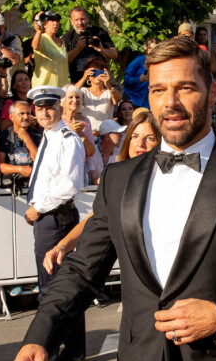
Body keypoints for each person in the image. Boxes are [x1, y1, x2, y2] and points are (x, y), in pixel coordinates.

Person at [11, 36, 216, 361]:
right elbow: (81, 270)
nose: (169, 103)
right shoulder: (118, 180)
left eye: (185, 87)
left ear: (213, 92)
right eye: (158, 90)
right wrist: (40, 336)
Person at [42, 111, 162, 279]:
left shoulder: (168, 179)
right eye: (135, 136)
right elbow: (95, 219)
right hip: (135, 277)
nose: (140, 143)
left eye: (149, 138)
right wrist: (61, 246)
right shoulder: (118, 179)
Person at [24, 85, 87, 361]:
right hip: (48, 218)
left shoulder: (66, 139)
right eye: (39, 108)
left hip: (56, 219)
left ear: (60, 108)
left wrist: (39, 206)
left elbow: (69, 185)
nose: (45, 112)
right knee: (61, 288)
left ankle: (47, 356)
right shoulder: (48, 138)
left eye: (50, 106)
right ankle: (72, 352)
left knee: (53, 291)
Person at [62, 5, 118, 84]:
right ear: (71, 21)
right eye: (76, 20)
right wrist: (77, 49)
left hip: (99, 81)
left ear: (87, 18)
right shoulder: (68, 37)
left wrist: (101, 49)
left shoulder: (99, 32)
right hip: (79, 82)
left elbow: (114, 55)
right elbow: (63, 61)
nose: (80, 23)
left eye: (82, 19)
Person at [0, 101, 42, 193]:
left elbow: (39, 161)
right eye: (21, 114)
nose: (26, 117)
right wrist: (20, 169)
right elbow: (0, 166)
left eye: (28, 113)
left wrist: (27, 138)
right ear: (11, 117)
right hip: (10, 189)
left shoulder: (38, 134)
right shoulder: (4, 135)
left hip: (36, 186)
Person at [76, 58, 121, 133]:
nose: (97, 75)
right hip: (88, 133)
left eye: (100, 72)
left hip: (106, 133)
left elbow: (117, 100)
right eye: (93, 72)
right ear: (88, 75)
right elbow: (72, 92)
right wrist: (84, 78)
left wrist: (108, 84)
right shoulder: (84, 91)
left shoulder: (109, 92)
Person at [31, 11, 68, 88]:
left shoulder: (61, 41)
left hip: (61, 89)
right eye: (52, 20)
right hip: (44, 87)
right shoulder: (42, 38)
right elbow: (35, 46)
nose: (55, 23)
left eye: (57, 20)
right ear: (45, 24)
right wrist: (39, 30)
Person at [122, 38, 158, 109]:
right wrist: (139, 79)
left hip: (147, 102)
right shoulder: (140, 60)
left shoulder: (158, 63)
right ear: (146, 49)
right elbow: (126, 79)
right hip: (132, 99)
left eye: (155, 48)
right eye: (151, 48)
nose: (153, 51)